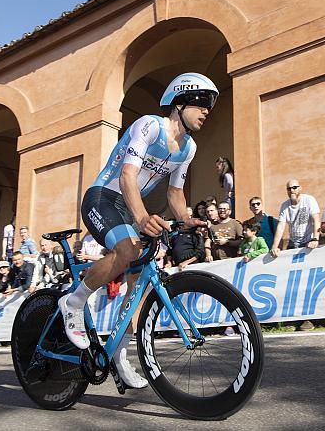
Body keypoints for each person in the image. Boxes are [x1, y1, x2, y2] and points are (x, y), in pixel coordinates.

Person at [57, 72, 218, 389]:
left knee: (145, 278)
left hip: (130, 208)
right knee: (128, 249)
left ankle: (118, 351)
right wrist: (143, 217)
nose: (205, 113)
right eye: (201, 105)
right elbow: (128, 176)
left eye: (209, 109)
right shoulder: (150, 125)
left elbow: (174, 194)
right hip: (104, 197)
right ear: (180, 100)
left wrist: (187, 219)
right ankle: (73, 303)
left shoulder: (188, 149)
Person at [270, 180, 321, 256]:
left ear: (300, 188)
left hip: (309, 242)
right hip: (292, 243)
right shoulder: (284, 205)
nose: (292, 190)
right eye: (289, 189)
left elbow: (316, 220)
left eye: (294, 188)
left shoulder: (309, 200)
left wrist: (315, 239)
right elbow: (281, 226)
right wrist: (274, 246)